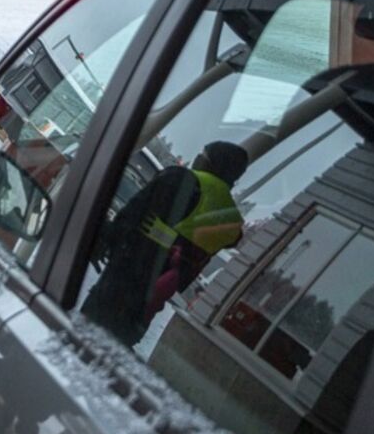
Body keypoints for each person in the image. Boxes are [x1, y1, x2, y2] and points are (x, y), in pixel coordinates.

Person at [81, 141, 248, 346]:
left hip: (115, 291)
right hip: (146, 309)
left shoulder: (180, 180)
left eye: (202, 154)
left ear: (211, 163)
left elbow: (129, 218)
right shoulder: (231, 222)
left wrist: (99, 241)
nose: (197, 157)